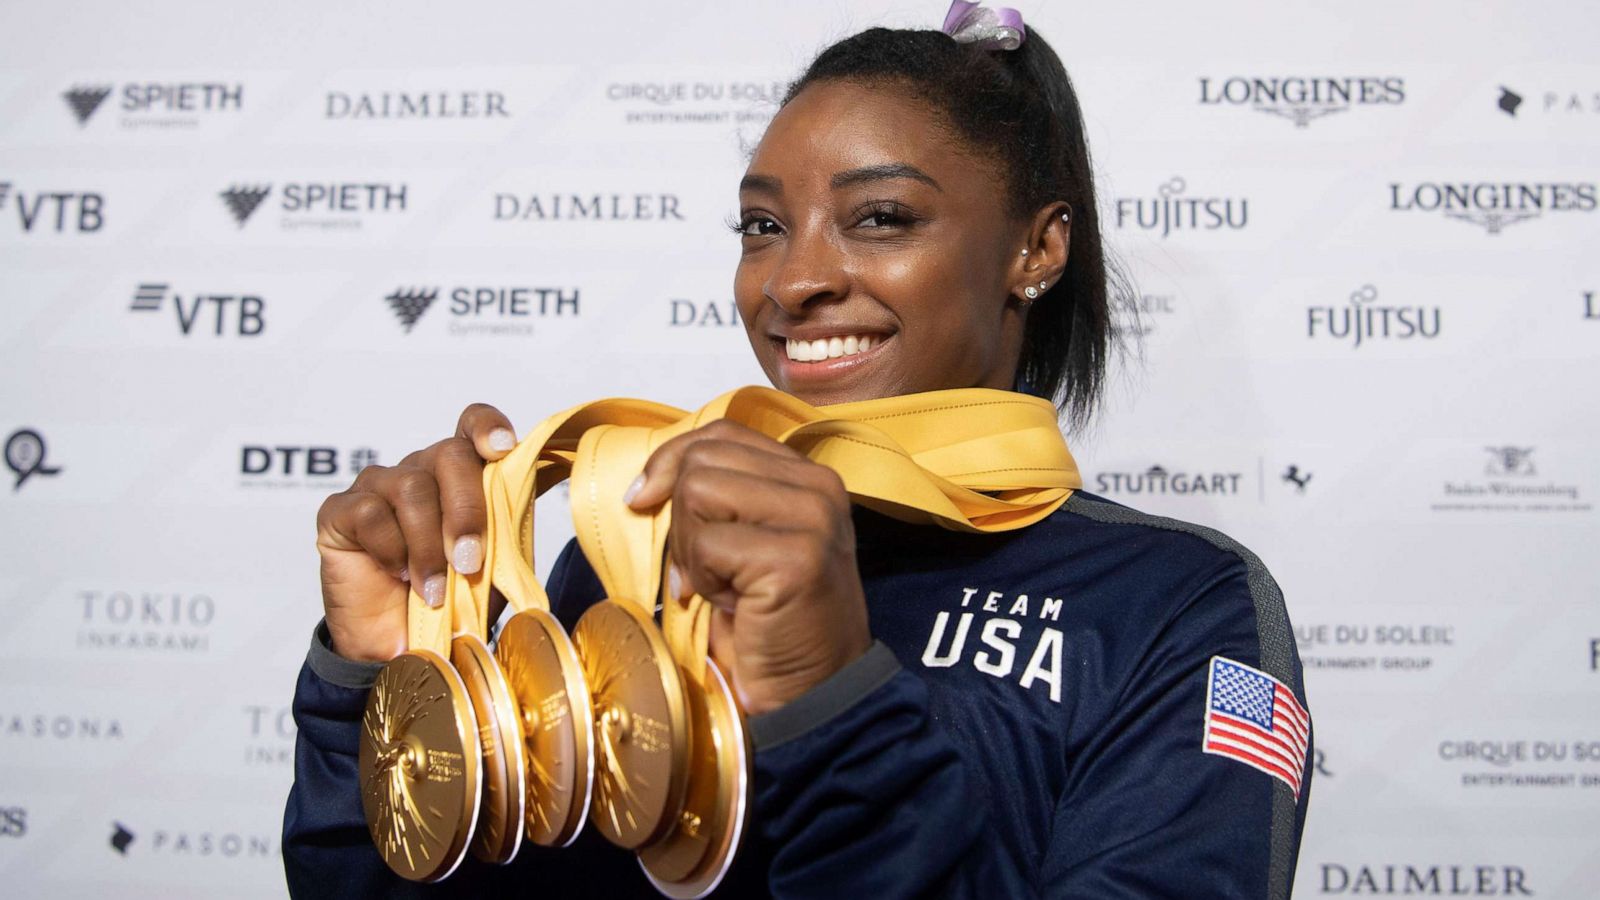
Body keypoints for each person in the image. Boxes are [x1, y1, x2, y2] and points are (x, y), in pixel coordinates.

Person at [284, 10, 1311, 899]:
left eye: (879, 218)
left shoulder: (1177, 605)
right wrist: (379, 692)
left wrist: (826, 696)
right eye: (763, 225)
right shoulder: (627, 554)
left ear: (1034, 250)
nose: (792, 281)